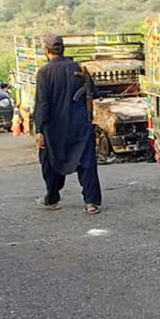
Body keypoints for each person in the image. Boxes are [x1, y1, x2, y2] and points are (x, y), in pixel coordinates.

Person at [35, 34, 102, 214]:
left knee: (49, 160)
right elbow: (94, 92)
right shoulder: (78, 68)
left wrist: (39, 129)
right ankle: (91, 202)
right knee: (86, 162)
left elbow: (42, 103)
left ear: (46, 51)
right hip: (80, 124)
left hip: (54, 128)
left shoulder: (44, 72)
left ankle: (52, 196)